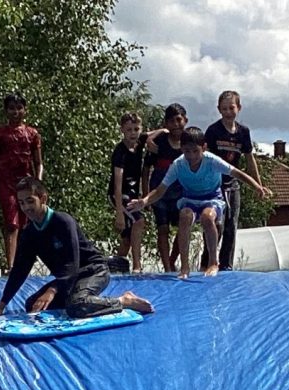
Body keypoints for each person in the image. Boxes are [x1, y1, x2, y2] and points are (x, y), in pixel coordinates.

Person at [0, 176, 153, 320]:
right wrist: (1, 306)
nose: (26, 207)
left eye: (30, 201)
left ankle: (124, 300)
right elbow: (20, 269)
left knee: (77, 306)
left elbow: (72, 266)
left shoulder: (63, 222)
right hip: (68, 279)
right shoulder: (29, 233)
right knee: (32, 305)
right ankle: (83, 299)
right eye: (21, 203)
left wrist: (52, 290)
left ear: (43, 199)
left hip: (93, 271)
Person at [129, 127, 271, 278]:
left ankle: (213, 262)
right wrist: (144, 201)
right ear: (182, 149)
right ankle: (184, 267)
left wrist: (257, 186)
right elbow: (160, 190)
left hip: (212, 198)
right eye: (187, 151)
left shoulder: (212, 161)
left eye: (195, 151)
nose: (191, 156)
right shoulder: (178, 165)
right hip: (190, 199)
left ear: (204, 148)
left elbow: (237, 173)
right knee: (184, 216)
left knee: (207, 217)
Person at [0, 94, 43, 268]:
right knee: (11, 222)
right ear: (6, 111)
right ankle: (11, 266)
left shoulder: (32, 134)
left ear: (25, 110)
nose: (16, 112)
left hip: (26, 184)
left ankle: (25, 261)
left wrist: (38, 184)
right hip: (6, 183)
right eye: (11, 108)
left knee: (27, 222)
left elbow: (38, 163)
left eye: (19, 108)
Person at [203, 90, 264, 270]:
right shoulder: (213, 131)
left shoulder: (243, 132)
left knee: (231, 225)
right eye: (224, 109)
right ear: (219, 110)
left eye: (231, 108)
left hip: (233, 183)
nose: (228, 112)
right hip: (215, 184)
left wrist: (258, 185)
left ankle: (226, 266)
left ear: (239, 108)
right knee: (217, 224)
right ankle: (208, 262)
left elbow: (249, 159)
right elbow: (204, 157)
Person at [144, 104, 188, 272]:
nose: (176, 124)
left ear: (185, 121)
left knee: (183, 227)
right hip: (159, 191)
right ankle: (167, 267)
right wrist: (146, 195)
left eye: (179, 120)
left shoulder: (189, 142)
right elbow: (146, 169)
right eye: (171, 121)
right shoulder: (159, 142)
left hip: (181, 192)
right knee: (162, 229)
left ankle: (172, 259)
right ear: (166, 124)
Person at [110, 112, 148, 273]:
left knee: (127, 238)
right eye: (129, 130)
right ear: (122, 130)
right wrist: (119, 212)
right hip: (119, 194)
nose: (133, 133)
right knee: (139, 221)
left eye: (136, 129)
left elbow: (159, 132)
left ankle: (113, 267)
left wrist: (159, 135)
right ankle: (137, 266)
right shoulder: (120, 152)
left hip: (132, 195)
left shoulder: (139, 143)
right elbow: (117, 183)